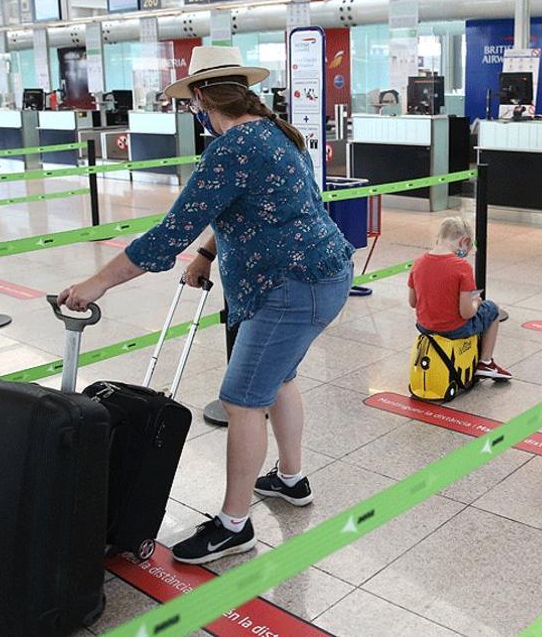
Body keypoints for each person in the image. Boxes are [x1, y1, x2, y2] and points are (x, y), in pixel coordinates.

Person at [57, 46, 354, 565]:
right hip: (319, 276)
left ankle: (234, 526)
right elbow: (260, 206)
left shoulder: (231, 148)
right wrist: (207, 254)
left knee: (242, 400)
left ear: (199, 98)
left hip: (289, 286)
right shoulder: (276, 134)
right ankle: (290, 479)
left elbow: (169, 231)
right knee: (280, 378)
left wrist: (97, 283)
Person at [408, 216, 512, 380]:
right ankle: (485, 362)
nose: (464, 255)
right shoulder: (462, 267)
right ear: (464, 241)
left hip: (425, 327)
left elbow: (412, 302)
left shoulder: (418, 262)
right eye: (467, 250)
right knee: (492, 309)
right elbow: (466, 313)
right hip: (454, 329)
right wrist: (476, 302)